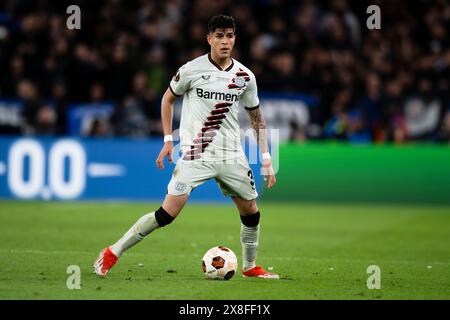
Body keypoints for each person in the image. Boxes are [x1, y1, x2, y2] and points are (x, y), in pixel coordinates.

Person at [94, 15, 279, 279]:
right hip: (195, 153)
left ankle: (250, 267)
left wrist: (265, 157)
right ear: (209, 39)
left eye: (230, 35)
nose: (225, 41)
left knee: (251, 212)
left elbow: (256, 117)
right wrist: (168, 140)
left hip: (231, 154)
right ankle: (113, 252)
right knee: (167, 214)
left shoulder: (245, 77)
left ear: (235, 38)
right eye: (219, 36)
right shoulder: (191, 70)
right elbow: (167, 100)